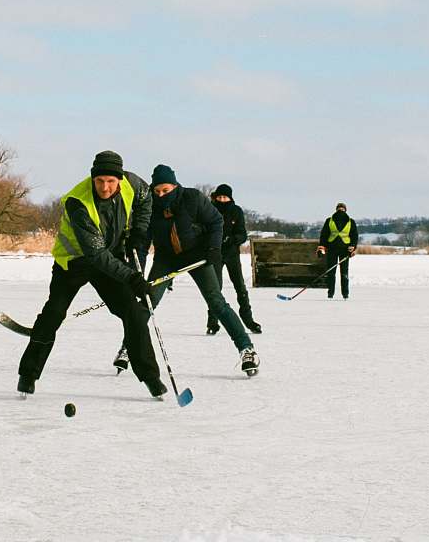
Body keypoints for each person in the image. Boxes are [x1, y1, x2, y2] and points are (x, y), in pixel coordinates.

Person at [17, 151, 167, 398]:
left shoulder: (133, 184)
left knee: (132, 311)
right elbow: (96, 255)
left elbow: (145, 200)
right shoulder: (79, 202)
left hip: (109, 257)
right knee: (54, 313)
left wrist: (138, 231)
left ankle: (151, 378)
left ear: (120, 179)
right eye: (99, 181)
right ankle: (28, 374)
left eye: (110, 181)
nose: (105, 187)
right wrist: (131, 278)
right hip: (74, 262)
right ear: (92, 178)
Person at [122, 165, 258, 376]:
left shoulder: (192, 198)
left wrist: (214, 248)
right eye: (157, 191)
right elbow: (142, 241)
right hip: (166, 259)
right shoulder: (149, 205)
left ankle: (246, 349)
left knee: (216, 301)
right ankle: (128, 348)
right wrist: (136, 271)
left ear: (174, 186)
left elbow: (215, 221)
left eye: (165, 190)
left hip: (197, 256)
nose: (161, 195)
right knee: (148, 300)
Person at [208, 184, 260, 335]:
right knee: (214, 288)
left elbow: (242, 234)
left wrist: (232, 239)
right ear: (216, 197)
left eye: (225, 197)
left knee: (240, 287)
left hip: (231, 254)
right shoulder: (210, 210)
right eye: (219, 197)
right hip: (215, 253)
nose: (222, 200)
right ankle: (212, 322)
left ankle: (248, 320)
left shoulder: (236, 211)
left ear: (230, 198)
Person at [316, 202, 358, 299]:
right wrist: (322, 247)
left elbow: (354, 236)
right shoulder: (331, 221)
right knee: (338, 273)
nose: (341, 211)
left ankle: (341, 294)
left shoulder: (349, 221)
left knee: (339, 273)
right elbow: (324, 235)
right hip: (335, 249)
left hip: (342, 250)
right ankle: (338, 295)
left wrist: (353, 247)